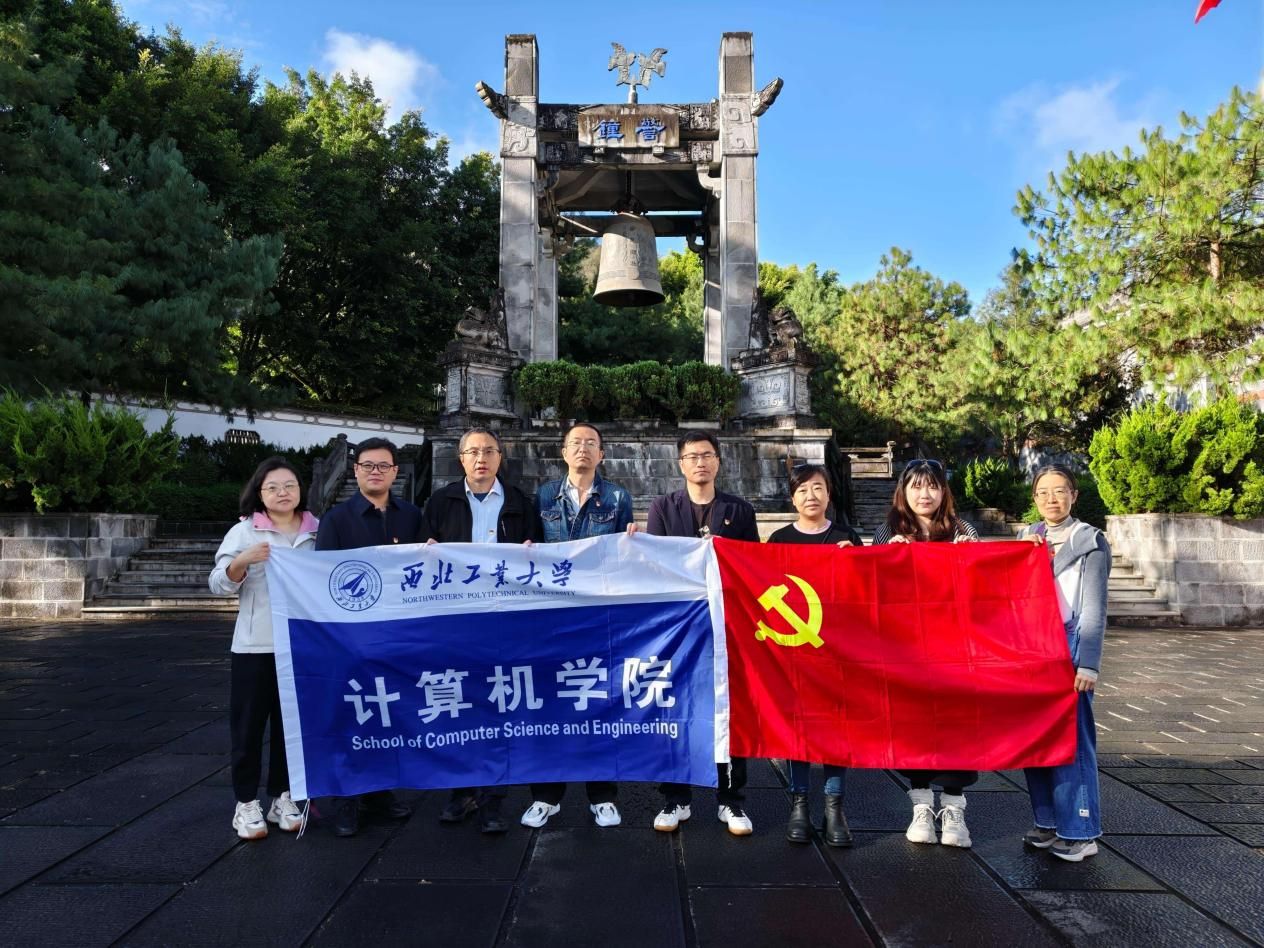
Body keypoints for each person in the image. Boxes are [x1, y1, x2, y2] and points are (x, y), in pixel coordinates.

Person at [422, 426, 542, 833]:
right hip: (456, 622)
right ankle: (461, 792)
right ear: (461, 459)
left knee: (499, 707)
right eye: (473, 451)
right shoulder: (441, 502)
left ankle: (494, 799)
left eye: (489, 451)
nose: (481, 458)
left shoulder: (520, 502)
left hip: (505, 621)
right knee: (457, 707)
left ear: (500, 458)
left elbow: (539, 559)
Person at [645, 430, 759, 836]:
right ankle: (675, 797)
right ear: (681, 464)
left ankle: (731, 799)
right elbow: (654, 563)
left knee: (729, 709)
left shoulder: (740, 510)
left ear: (718, 461)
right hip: (679, 627)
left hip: (727, 625)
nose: (700, 462)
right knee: (675, 708)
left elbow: (754, 565)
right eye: (692, 456)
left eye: (707, 455)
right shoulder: (662, 508)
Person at [521, 422, 634, 830]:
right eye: (575, 443)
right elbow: (530, 550)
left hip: (598, 616)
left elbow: (623, 556)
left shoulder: (618, 497)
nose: (583, 449)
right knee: (549, 704)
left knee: (600, 702)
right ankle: (546, 796)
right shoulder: (544, 496)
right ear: (563, 452)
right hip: (552, 616)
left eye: (591, 443)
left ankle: (602, 796)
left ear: (601, 454)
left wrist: (633, 540)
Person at [315, 437, 424, 837]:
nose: (375, 472)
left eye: (383, 466)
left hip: (398, 635)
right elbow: (323, 579)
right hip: (352, 638)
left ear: (395, 472)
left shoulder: (412, 516)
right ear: (356, 470)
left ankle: (379, 792)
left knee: (387, 716)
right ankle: (347, 798)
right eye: (367, 465)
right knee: (352, 716)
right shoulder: (336, 519)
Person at [210, 456, 319, 840]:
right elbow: (218, 584)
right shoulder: (244, 532)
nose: (282, 493)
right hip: (255, 646)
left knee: (292, 728)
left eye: (289, 485)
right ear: (259, 493)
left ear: (301, 490)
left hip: (302, 646)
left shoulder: (318, 532)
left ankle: (282, 797)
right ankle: (245, 803)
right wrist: (242, 561)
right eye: (272, 487)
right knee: (248, 728)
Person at [872, 458, 979, 848]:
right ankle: (920, 803)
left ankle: (954, 807)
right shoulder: (888, 531)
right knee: (912, 723)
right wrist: (888, 557)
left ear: (943, 491)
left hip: (955, 645)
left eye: (932, 485)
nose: (924, 494)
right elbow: (870, 587)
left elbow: (985, 588)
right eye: (916, 486)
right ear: (903, 491)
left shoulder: (963, 530)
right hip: (907, 647)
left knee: (957, 724)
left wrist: (971, 558)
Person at [1018, 465, 1110, 863]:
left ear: (1074, 495)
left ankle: (1081, 831)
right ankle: (1048, 821)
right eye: (1043, 492)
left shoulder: (1089, 540)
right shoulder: (1027, 536)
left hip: (1070, 644)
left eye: (1059, 491)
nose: (1051, 499)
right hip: (1032, 649)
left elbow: (1094, 607)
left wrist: (1088, 663)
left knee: (1073, 741)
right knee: (1036, 739)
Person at [767, 464, 860, 847]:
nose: (811, 496)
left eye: (818, 488)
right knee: (799, 728)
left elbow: (864, 594)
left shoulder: (845, 537)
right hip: (795, 653)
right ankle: (800, 803)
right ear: (792, 498)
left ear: (829, 494)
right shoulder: (779, 539)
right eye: (803, 490)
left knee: (837, 729)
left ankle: (834, 806)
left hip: (836, 651)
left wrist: (855, 562)